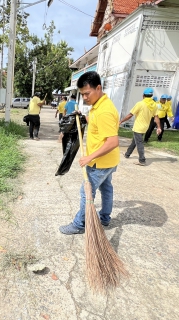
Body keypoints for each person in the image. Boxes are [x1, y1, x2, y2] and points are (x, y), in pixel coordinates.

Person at [59, 71, 120, 234]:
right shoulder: (99, 105)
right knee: (106, 189)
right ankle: (105, 218)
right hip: (109, 161)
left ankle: (79, 224)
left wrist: (89, 157)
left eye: (87, 93)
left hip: (99, 162)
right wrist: (84, 117)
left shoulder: (104, 111)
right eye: (82, 94)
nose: (85, 98)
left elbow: (113, 142)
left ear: (98, 88)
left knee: (86, 192)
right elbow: (98, 125)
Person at [120, 88, 162, 166]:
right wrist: (159, 127)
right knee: (134, 141)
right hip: (145, 127)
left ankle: (142, 160)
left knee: (139, 143)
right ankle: (127, 154)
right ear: (151, 96)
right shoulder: (154, 105)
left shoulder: (140, 104)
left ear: (143, 95)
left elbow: (130, 114)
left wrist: (121, 121)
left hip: (138, 127)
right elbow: (156, 117)